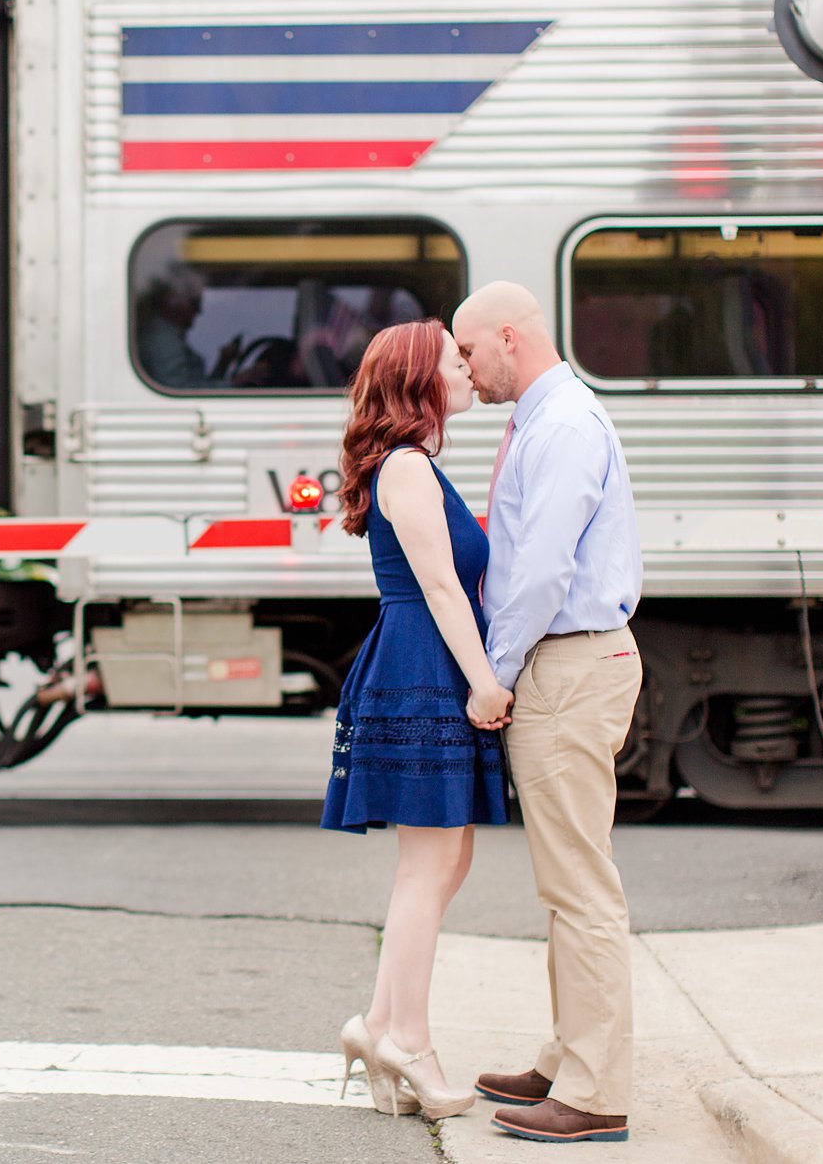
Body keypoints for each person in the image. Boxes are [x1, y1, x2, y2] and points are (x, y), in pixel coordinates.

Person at [450, 281, 644, 1146]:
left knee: (581, 886)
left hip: (565, 664)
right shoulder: (549, 419)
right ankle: (569, 1056)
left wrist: (493, 674)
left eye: (467, 352)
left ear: (507, 338)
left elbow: (539, 571)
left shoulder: (560, 426)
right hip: (568, 663)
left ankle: (595, 1091)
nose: (463, 369)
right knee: (569, 879)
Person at [321, 318, 512, 1124]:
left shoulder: (415, 466)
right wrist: (484, 683)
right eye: (452, 360)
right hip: (424, 666)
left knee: (443, 863)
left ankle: (379, 1026)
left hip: (424, 661)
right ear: (420, 384)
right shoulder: (406, 468)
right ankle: (409, 1042)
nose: (466, 369)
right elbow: (440, 588)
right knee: (427, 867)